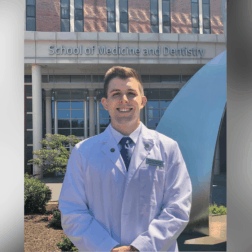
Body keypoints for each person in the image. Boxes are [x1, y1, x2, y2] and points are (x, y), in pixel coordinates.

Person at [58, 66, 192, 252]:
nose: (124, 100)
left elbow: (178, 208)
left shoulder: (168, 148)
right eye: (116, 94)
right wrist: (108, 248)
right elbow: (72, 210)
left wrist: (139, 248)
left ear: (143, 101)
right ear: (105, 103)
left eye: (131, 93)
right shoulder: (83, 152)